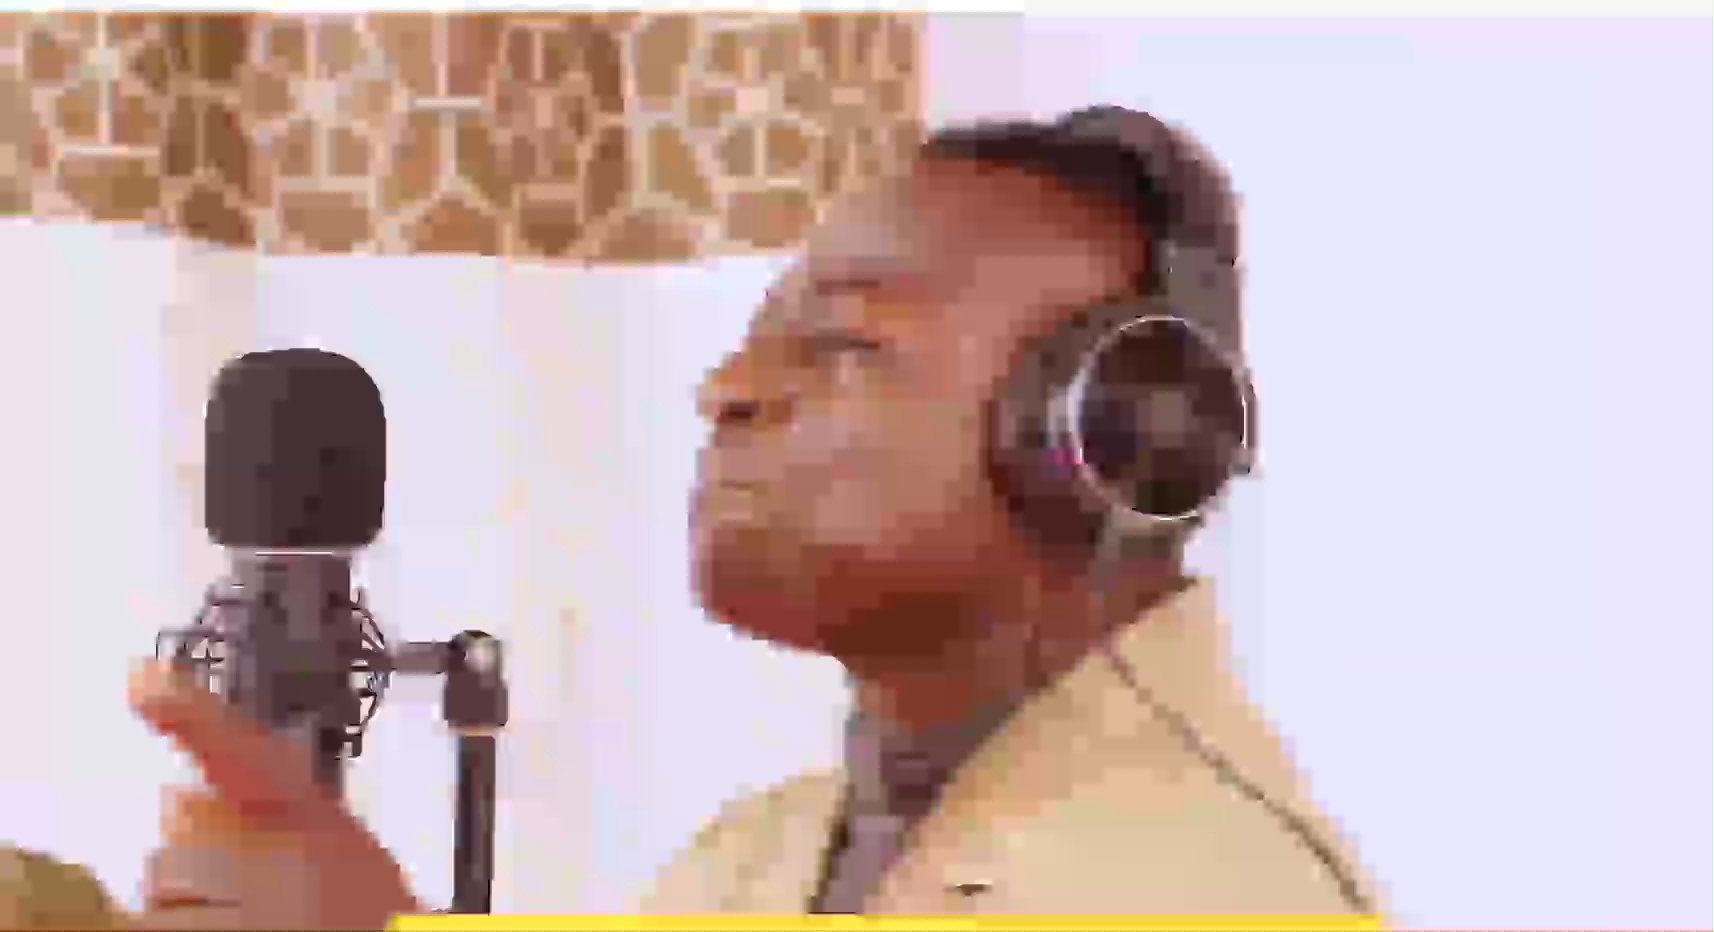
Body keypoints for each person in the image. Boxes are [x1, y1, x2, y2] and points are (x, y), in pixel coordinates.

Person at [7, 105, 1380, 929]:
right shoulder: (754, 857)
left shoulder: (1212, 882)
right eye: (753, 340)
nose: (727, 389)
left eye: (843, 343)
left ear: (1118, 434)